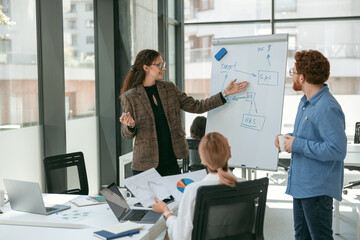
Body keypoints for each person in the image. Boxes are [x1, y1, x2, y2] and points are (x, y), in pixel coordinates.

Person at [120, 49, 248, 176]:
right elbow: (126, 134)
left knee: (175, 197)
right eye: (159, 65)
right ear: (146, 68)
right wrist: (130, 125)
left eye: (163, 64)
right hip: (144, 165)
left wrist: (225, 94)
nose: (164, 68)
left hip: (170, 162)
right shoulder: (130, 97)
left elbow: (197, 106)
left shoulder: (169, 89)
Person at [275, 50, 347, 240]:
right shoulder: (306, 103)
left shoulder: (327, 106)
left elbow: (337, 149)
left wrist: (297, 144)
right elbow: (307, 136)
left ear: (302, 77)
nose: (292, 76)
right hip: (301, 185)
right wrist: (289, 138)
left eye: (293, 71)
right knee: (302, 237)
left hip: (316, 188)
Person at [152, 132, 244, 240]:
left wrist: (166, 212)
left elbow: (181, 237)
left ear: (202, 159)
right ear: (229, 154)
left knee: (170, 231)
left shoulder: (194, 190)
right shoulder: (246, 185)